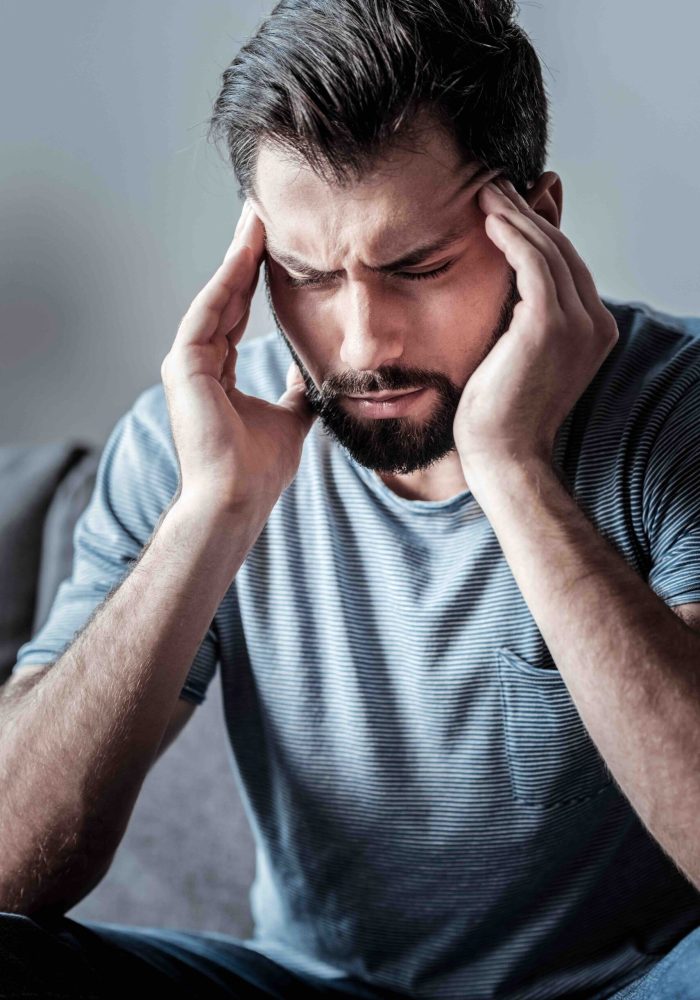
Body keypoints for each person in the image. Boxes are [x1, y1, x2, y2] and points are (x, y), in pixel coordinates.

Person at [3, 0, 700, 997]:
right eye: (307, 274)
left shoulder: (675, 408)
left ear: (536, 222)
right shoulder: (194, 439)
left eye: (417, 267)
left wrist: (509, 468)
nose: (362, 342)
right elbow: (12, 869)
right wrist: (215, 510)